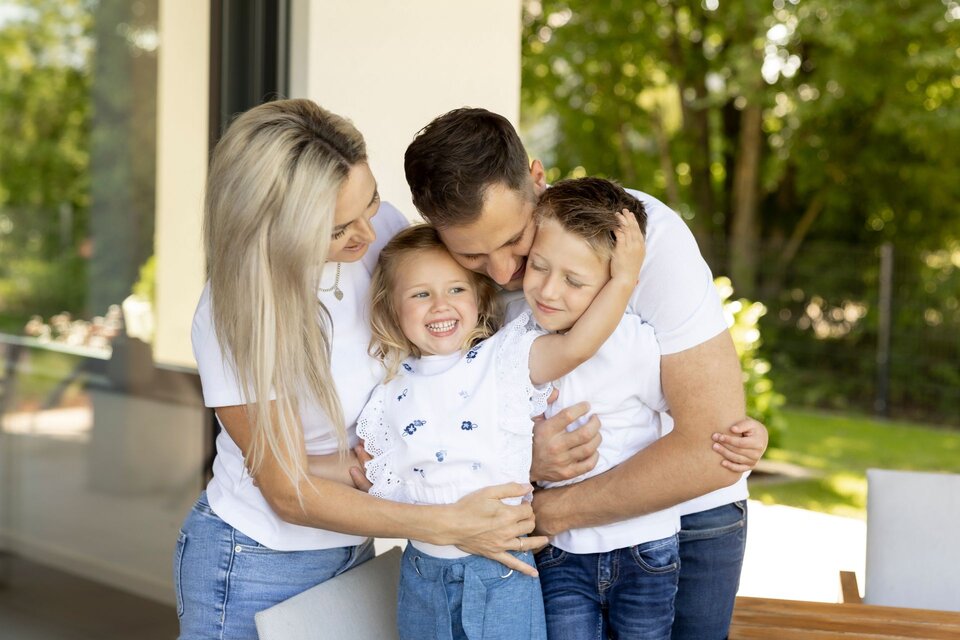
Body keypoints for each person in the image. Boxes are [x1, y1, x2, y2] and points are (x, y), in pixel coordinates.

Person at [175, 99, 545, 640]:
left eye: (370, 204)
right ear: (278, 229)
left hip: (356, 541)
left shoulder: (388, 233)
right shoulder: (234, 312)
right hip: (254, 559)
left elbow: (462, 350)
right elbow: (286, 489)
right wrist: (446, 524)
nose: (369, 236)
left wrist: (533, 437)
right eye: (339, 229)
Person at [404, 107, 769, 640]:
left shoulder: (642, 241)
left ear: (537, 178)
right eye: (475, 256)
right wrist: (525, 462)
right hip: (556, 549)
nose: (508, 273)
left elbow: (709, 449)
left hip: (680, 523)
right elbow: (444, 417)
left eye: (515, 240)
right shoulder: (445, 283)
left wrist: (547, 509)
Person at [355, 215, 644, 640]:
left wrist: (623, 280)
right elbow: (364, 472)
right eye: (421, 293)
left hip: (500, 571)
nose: (440, 304)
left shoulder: (502, 360)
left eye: (456, 289)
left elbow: (576, 346)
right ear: (391, 308)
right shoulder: (387, 389)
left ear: (478, 297)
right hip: (420, 572)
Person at [515, 177, 679, 639]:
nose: (548, 291)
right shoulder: (516, 337)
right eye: (538, 266)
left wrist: (748, 429)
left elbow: (686, 414)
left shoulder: (633, 343)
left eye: (574, 280)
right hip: (560, 550)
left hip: (643, 545)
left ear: (616, 282)